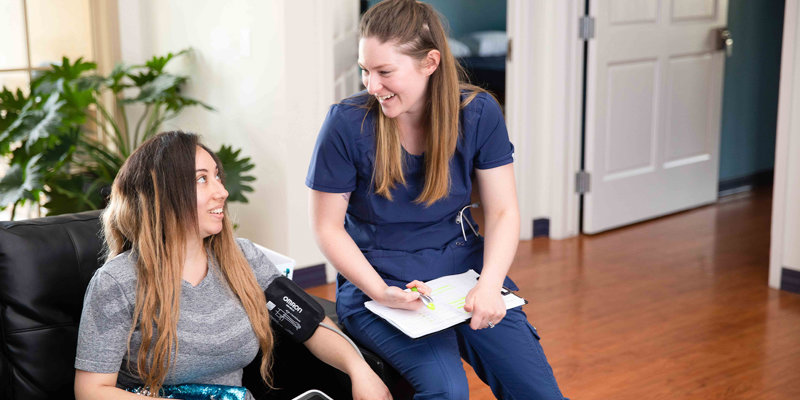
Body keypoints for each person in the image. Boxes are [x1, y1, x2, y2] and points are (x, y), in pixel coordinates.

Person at [306, 1, 567, 399]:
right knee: (446, 390)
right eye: (365, 70)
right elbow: (327, 227)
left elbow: (502, 211)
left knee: (539, 393)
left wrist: (491, 285)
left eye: (384, 72)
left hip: (463, 269)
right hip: (380, 278)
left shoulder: (478, 113)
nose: (371, 86)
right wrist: (380, 291)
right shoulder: (345, 123)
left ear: (430, 62)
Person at [74, 131, 391, 400]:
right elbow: (91, 390)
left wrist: (358, 368)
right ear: (161, 194)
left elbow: (308, 323)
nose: (222, 191)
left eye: (217, 177)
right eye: (201, 180)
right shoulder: (116, 282)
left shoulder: (243, 259)